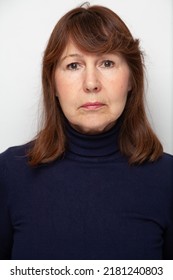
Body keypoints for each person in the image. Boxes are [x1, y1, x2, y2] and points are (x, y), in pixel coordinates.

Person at [0, 3, 172, 260]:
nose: (91, 83)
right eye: (73, 65)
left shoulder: (168, 179)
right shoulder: (8, 174)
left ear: (132, 79)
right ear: (53, 84)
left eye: (107, 63)